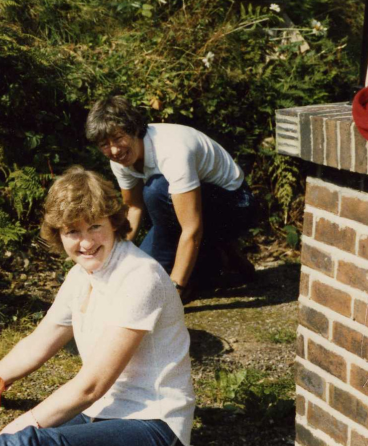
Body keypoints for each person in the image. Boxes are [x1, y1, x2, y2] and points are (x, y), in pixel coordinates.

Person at [0, 166, 197, 446]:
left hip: (154, 429)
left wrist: (25, 423)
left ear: (114, 223)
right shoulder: (81, 275)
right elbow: (38, 342)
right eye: (73, 231)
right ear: (58, 235)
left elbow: (91, 386)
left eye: (95, 227)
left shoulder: (140, 276)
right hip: (102, 413)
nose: (86, 242)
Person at [86, 95, 257, 300]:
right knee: (138, 271)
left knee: (156, 190)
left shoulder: (172, 150)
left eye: (118, 138)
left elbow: (191, 227)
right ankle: (226, 255)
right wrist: (113, 256)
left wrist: (176, 289)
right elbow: (133, 207)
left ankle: (208, 262)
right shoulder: (120, 158)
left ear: (134, 130)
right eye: (104, 144)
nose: (113, 150)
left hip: (237, 206)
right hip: (191, 207)